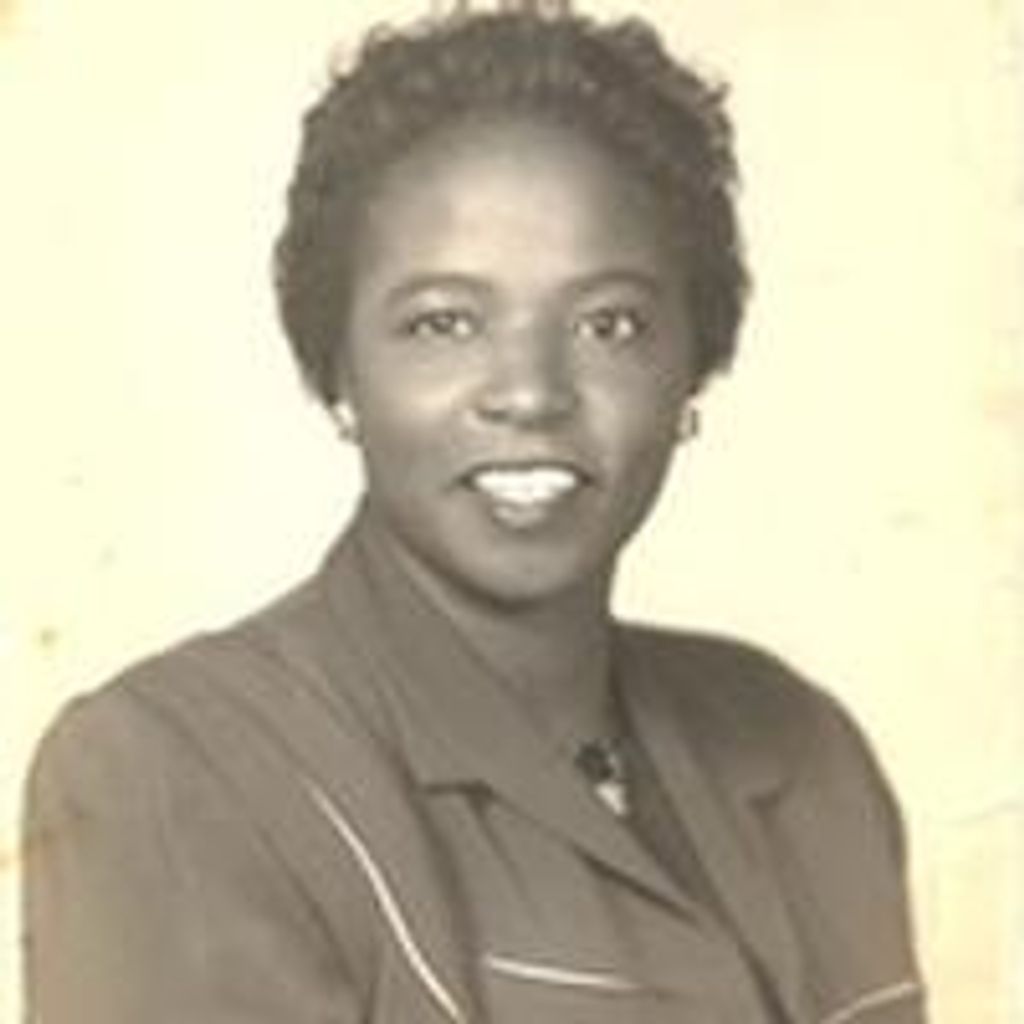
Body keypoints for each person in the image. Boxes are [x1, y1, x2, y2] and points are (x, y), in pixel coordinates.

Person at [22, 3, 927, 1022]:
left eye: (608, 324)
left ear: (693, 365)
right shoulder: (177, 771)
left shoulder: (802, 751)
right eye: (444, 322)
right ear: (336, 370)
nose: (530, 393)